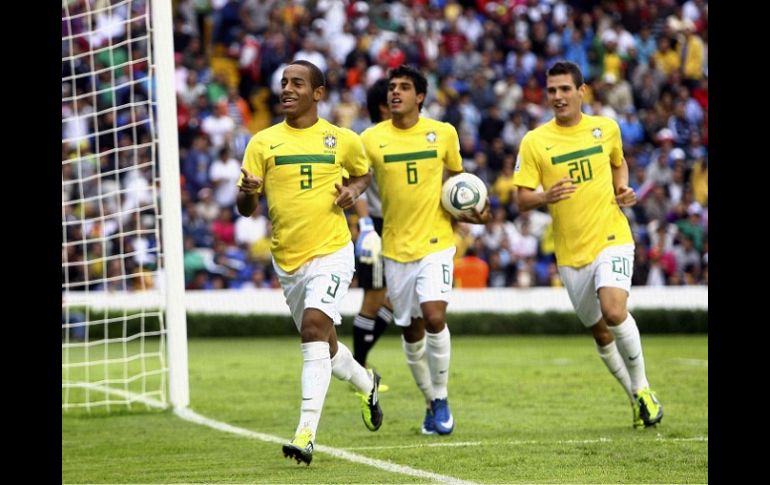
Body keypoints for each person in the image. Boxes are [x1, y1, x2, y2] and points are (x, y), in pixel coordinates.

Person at [237, 60, 382, 466]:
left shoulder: (342, 139)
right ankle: (367, 383)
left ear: (317, 93)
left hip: (333, 251)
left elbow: (362, 174)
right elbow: (245, 207)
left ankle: (305, 435)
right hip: (287, 260)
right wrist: (250, 192)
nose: (286, 88)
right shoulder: (262, 143)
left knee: (314, 329)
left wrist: (352, 192)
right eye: (284, 82)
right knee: (327, 346)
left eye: (297, 83)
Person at [513, 61, 663, 429]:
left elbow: (619, 164)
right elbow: (521, 199)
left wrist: (622, 188)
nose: (558, 97)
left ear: (582, 91)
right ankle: (634, 398)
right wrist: (545, 195)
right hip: (571, 252)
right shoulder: (535, 141)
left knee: (614, 311)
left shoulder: (605, 128)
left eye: (565, 89)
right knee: (598, 330)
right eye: (552, 91)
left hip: (611, 236)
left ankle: (643, 389)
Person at [361, 65, 489, 436]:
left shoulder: (443, 133)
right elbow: (356, 179)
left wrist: (473, 211)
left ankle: (444, 397)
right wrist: (359, 214)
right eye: (391, 87)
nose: (394, 93)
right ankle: (430, 401)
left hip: (436, 243)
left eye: (403, 87)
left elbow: (458, 184)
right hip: (396, 248)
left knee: (434, 317)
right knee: (411, 330)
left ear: (420, 96)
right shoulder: (370, 139)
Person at [351, 79, 394, 376]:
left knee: (397, 300)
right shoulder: (368, 140)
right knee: (375, 297)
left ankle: (358, 363)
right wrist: (366, 227)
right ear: (383, 105)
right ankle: (359, 367)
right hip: (376, 225)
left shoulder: (408, 137)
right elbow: (358, 183)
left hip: (401, 224)